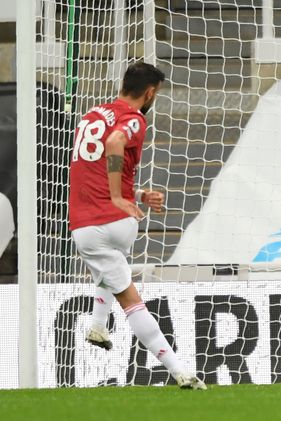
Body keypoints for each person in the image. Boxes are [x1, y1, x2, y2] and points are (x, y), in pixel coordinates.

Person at [68, 62, 205, 389]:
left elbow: (96, 165)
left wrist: (138, 194)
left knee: (111, 272)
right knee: (124, 289)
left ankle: (103, 327)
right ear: (150, 93)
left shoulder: (92, 115)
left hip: (88, 223)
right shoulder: (135, 119)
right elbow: (116, 143)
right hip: (112, 220)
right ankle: (177, 370)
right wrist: (118, 196)